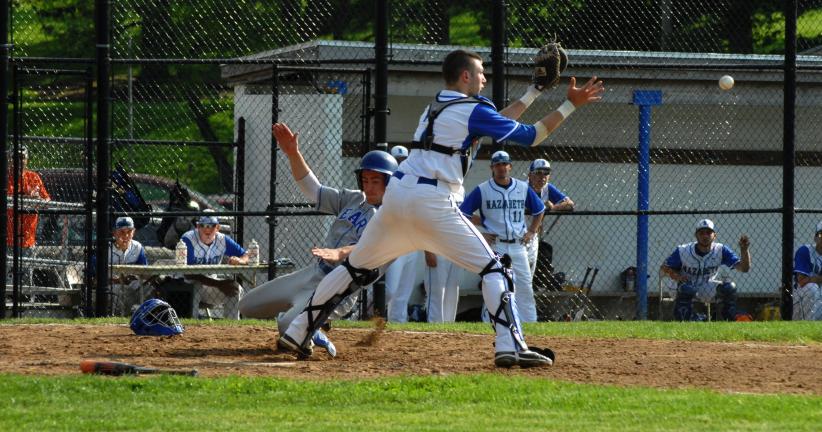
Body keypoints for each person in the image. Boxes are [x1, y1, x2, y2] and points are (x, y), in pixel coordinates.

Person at [277, 48, 604, 367]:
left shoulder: (438, 106)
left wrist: (533, 91)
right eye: (479, 72)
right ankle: (510, 346)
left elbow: (497, 121)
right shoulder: (472, 109)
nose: (484, 78)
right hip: (432, 202)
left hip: (399, 196)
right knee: (495, 270)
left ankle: (298, 331)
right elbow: (532, 135)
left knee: (353, 269)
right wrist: (569, 104)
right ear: (465, 76)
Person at [239, 123, 398, 355]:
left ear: (389, 183)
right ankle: (311, 325)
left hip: (339, 288)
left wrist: (341, 253)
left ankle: (310, 335)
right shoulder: (354, 199)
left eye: (376, 181)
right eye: (365, 180)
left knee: (286, 324)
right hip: (313, 273)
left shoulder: (392, 219)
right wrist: (293, 154)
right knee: (247, 305)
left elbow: (371, 249)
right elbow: (313, 190)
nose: (369, 186)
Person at [460, 150, 545, 322]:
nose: (501, 167)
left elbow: (539, 210)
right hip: (495, 245)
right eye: (497, 164)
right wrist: (480, 234)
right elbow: (462, 214)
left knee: (524, 287)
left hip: (518, 244)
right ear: (492, 167)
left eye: (504, 164)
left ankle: (530, 323)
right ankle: (489, 322)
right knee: (494, 287)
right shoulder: (482, 189)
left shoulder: (522, 187)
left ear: (510, 166)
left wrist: (532, 231)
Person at [660, 219, 751, 321]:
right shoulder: (683, 250)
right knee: (686, 289)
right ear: (696, 235)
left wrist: (744, 250)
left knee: (729, 288)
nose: (705, 236)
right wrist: (677, 276)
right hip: (682, 286)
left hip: (705, 285)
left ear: (714, 235)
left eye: (708, 232)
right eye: (701, 233)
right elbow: (664, 267)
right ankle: (686, 319)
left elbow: (744, 268)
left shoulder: (720, 250)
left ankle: (728, 318)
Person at [180, 214, 250, 319]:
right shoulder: (188, 239)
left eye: (211, 225)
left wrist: (241, 261)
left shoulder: (222, 239)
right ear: (198, 226)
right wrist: (219, 284)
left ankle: (232, 326)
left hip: (211, 286)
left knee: (235, 288)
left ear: (217, 227)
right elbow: (189, 274)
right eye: (203, 225)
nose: (207, 229)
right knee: (197, 285)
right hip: (185, 286)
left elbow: (246, 255)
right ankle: (191, 324)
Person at [383, 145, 424, 323]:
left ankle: (398, 324)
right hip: (393, 242)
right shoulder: (386, 184)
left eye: (403, 159)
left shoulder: (416, 182)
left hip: (411, 242)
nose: (401, 163)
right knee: (389, 290)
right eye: (397, 160)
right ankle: (360, 315)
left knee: (404, 291)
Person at [525, 158, 574, 278]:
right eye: (538, 173)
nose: (543, 176)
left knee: (545, 252)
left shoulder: (547, 188)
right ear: (530, 175)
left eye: (546, 173)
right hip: (519, 234)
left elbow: (570, 204)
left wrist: (553, 207)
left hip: (534, 236)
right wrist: (541, 207)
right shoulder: (522, 188)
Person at [6, 145, 50, 253]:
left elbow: (47, 200)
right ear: (9, 159)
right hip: (7, 238)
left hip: (28, 238)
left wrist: (39, 200)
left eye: (22, 158)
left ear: (26, 160)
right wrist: (28, 198)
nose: (19, 161)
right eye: (15, 157)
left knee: (26, 268)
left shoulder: (33, 177)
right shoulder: (5, 177)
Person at [108, 216, 148, 315]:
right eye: (122, 232)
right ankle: (117, 316)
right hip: (111, 284)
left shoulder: (137, 247)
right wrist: (117, 280)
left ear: (133, 232)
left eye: (129, 232)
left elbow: (144, 271)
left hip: (131, 282)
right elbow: (95, 276)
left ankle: (146, 313)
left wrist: (134, 276)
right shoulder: (106, 248)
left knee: (148, 287)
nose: (126, 235)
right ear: (114, 233)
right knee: (119, 289)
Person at [792, 222, 822, 320]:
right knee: (812, 288)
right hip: (800, 299)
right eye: (821, 234)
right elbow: (802, 281)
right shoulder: (805, 251)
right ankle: (807, 325)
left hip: (819, 300)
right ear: (815, 238)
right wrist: (816, 279)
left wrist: (815, 279)